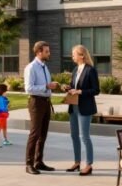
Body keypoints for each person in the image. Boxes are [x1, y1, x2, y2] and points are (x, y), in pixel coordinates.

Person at [24, 41, 60, 175]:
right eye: (46, 51)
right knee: (35, 134)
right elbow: (28, 88)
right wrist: (46, 86)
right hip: (36, 103)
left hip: (45, 102)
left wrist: (53, 86)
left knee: (43, 134)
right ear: (39, 52)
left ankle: (38, 162)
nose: (49, 53)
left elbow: (46, 86)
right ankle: (29, 164)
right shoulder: (31, 67)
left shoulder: (44, 67)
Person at [67, 44, 100, 176]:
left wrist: (80, 91)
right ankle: (77, 162)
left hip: (85, 107)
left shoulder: (90, 70)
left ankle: (89, 165)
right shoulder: (75, 69)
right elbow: (73, 86)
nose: (72, 57)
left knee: (84, 137)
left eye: (74, 54)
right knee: (74, 135)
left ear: (81, 55)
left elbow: (96, 90)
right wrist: (68, 88)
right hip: (73, 106)